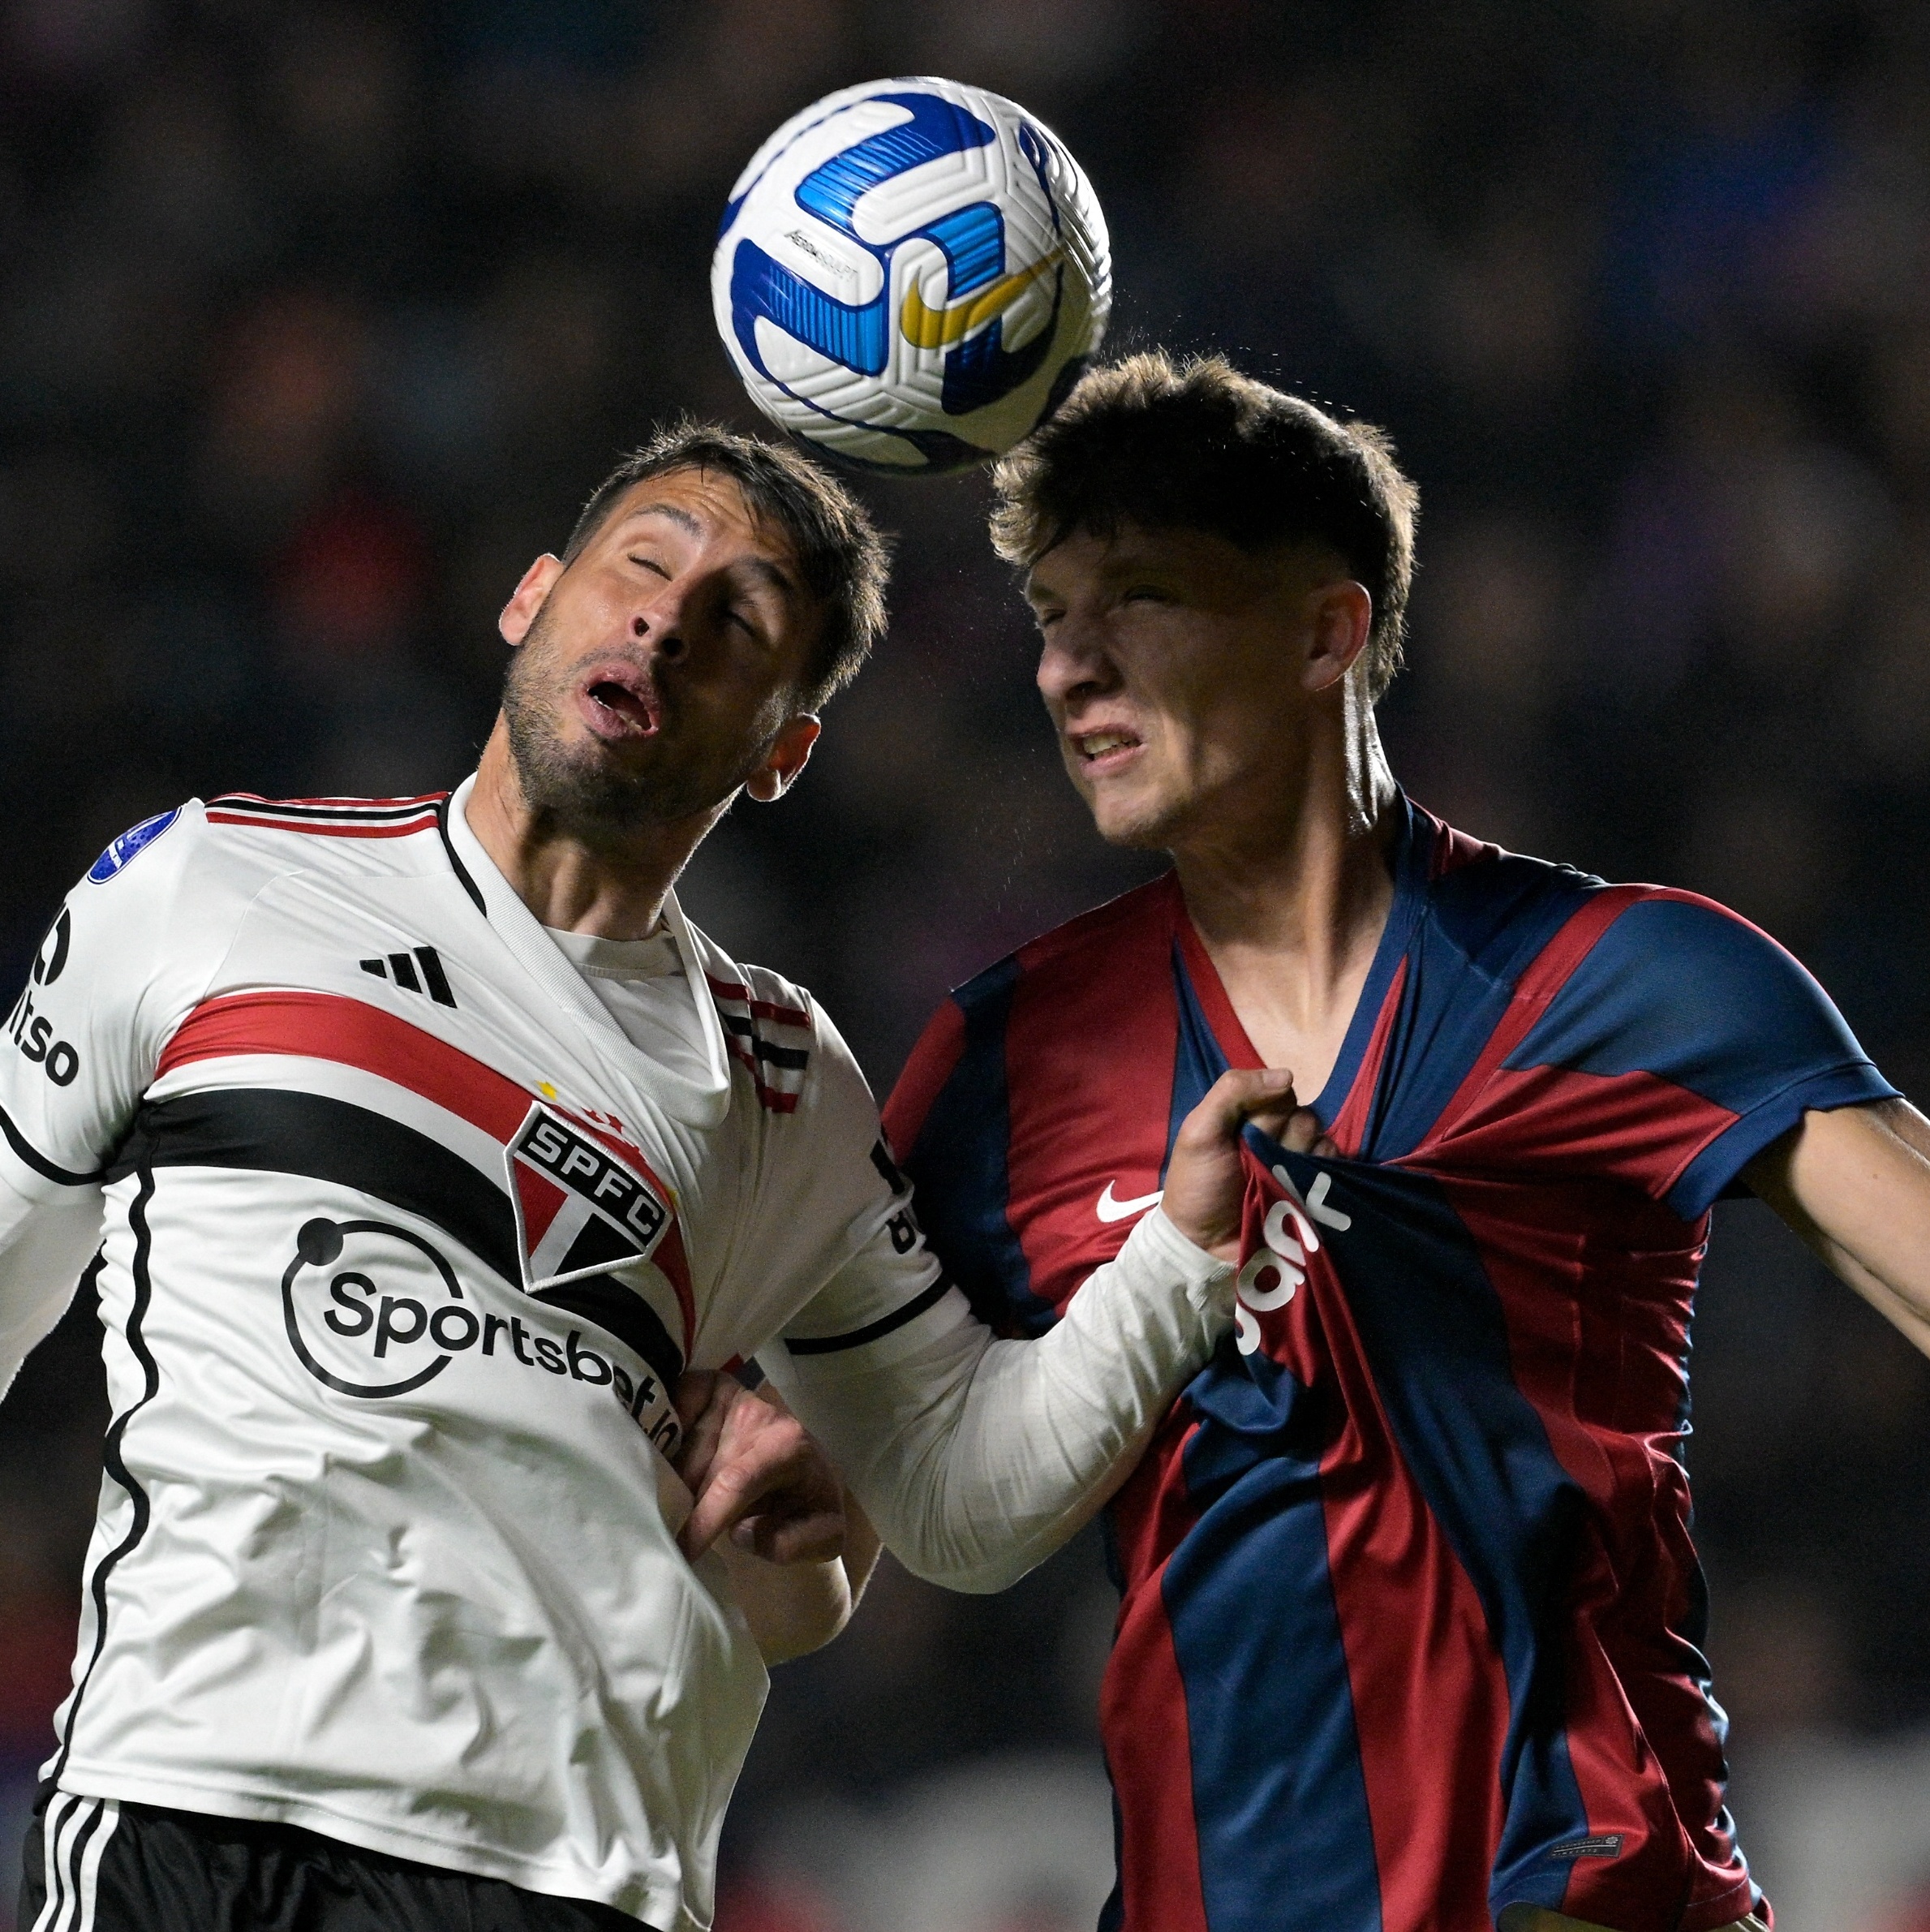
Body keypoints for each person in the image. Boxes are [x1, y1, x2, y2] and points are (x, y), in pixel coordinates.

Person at [0, 420, 1276, 1932]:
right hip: (196, 1815)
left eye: (737, 622)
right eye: (641, 568)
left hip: (574, 1871)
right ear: (533, 600)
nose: (665, 620)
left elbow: (962, 1493)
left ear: (785, 747)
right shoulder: (207, 884)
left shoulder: (784, 1083)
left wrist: (1184, 1254)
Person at [883, 351, 1930, 1932]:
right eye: (1049, 618)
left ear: (1326, 631)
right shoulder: (1001, 1059)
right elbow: (858, 1488)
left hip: (1566, 1893)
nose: (1069, 670)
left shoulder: (1615, 979)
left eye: (1140, 603)